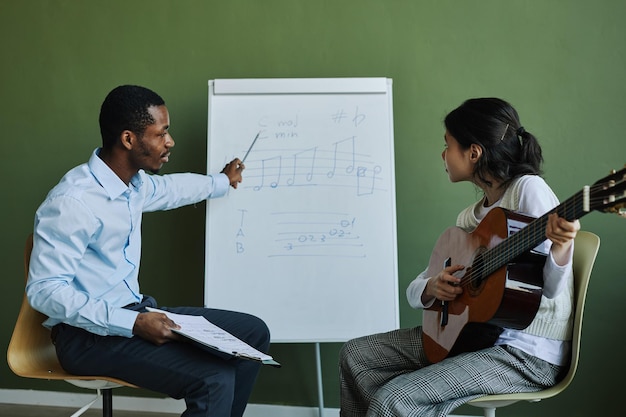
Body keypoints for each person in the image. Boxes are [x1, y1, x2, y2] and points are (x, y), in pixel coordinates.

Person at [26, 85, 271, 417]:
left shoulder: (133, 186)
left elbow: (173, 189)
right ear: (129, 139)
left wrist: (222, 181)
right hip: (85, 337)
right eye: (161, 133)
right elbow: (44, 292)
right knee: (214, 378)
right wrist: (133, 322)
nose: (169, 142)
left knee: (253, 334)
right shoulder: (73, 202)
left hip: (135, 313)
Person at [339, 97, 581, 417]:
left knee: (393, 400)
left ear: (474, 152)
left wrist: (561, 247)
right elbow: (417, 287)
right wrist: (432, 287)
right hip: (472, 337)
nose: (443, 155)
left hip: (525, 354)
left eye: (448, 145)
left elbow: (548, 289)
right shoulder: (472, 218)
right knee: (356, 355)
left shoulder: (528, 191)